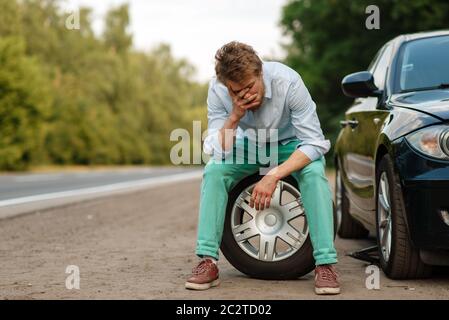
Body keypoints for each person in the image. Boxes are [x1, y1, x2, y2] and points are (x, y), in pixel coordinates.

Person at [185, 41, 340, 295]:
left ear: (260, 73)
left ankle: (325, 263)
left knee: (313, 173)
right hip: (250, 146)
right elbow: (218, 148)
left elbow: (314, 143)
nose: (244, 95)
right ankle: (207, 261)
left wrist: (274, 174)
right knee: (214, 171)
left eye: (249, 87)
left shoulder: (288, 81)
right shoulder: (217, 90)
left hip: (290, 145)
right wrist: (234, 116)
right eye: (235, 92)